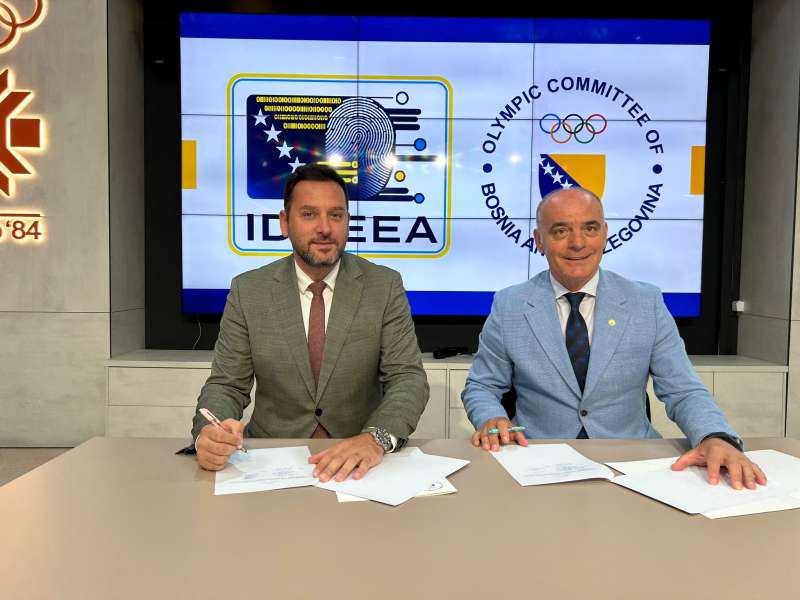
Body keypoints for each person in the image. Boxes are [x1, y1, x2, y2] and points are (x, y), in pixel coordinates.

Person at [462, 187, 767, 490]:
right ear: (539, 240)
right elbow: (482, 386)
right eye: (560, 231)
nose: (577, 242)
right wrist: (491, 418)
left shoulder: (645, 302)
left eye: (590, 228)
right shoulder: (510, 305)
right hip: (537, 460)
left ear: (605, 234)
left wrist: (714, 436)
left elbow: (683, 389)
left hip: (630, 463)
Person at [191, 164, 429, 482]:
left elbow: (407, 379)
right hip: (269, 461)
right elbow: (227, 385)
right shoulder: (249, 290)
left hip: (358, 464)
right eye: (308, 214)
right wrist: (209, 434)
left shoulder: (383, 286)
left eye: (336, 215)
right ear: (284, 223)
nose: (325, 228)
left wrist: (376, 438)